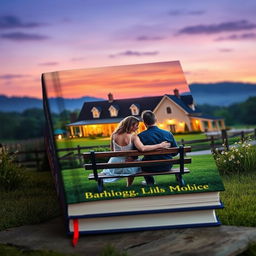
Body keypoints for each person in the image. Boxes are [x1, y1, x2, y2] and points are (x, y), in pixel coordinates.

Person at [102, 116, 170, 186]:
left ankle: (132, 184)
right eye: (136, 125)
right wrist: (160, 145)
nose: (137, 128)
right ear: (130, 125)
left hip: (114, 165)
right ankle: (134, 184)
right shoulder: (133, 136)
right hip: (128, 166)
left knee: (133, 162)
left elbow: (113, 150)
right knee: (142, 162)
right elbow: (142, 148)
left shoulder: (114, 135)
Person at [137, 110, 178, 186]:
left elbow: (135, 155)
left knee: (142, 161)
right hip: (167, 165)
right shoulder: (168, 133)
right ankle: (179, 179)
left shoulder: (140, 136)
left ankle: (150, 182)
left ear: (144, 122)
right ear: (156, 120)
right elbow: (175, 152)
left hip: (149, 167)